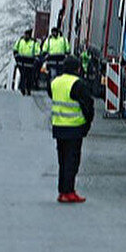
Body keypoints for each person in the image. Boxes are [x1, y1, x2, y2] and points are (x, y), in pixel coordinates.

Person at [48, 56, 95, 203]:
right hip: (74, 128)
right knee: (72, 161)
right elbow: (87, 105)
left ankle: (62, 191)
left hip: (58, 127)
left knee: (62, 161)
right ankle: (69, 191)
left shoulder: (54, 82)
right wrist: (87, 124)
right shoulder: (78, 84)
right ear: (77, 69)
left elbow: (52, 96)